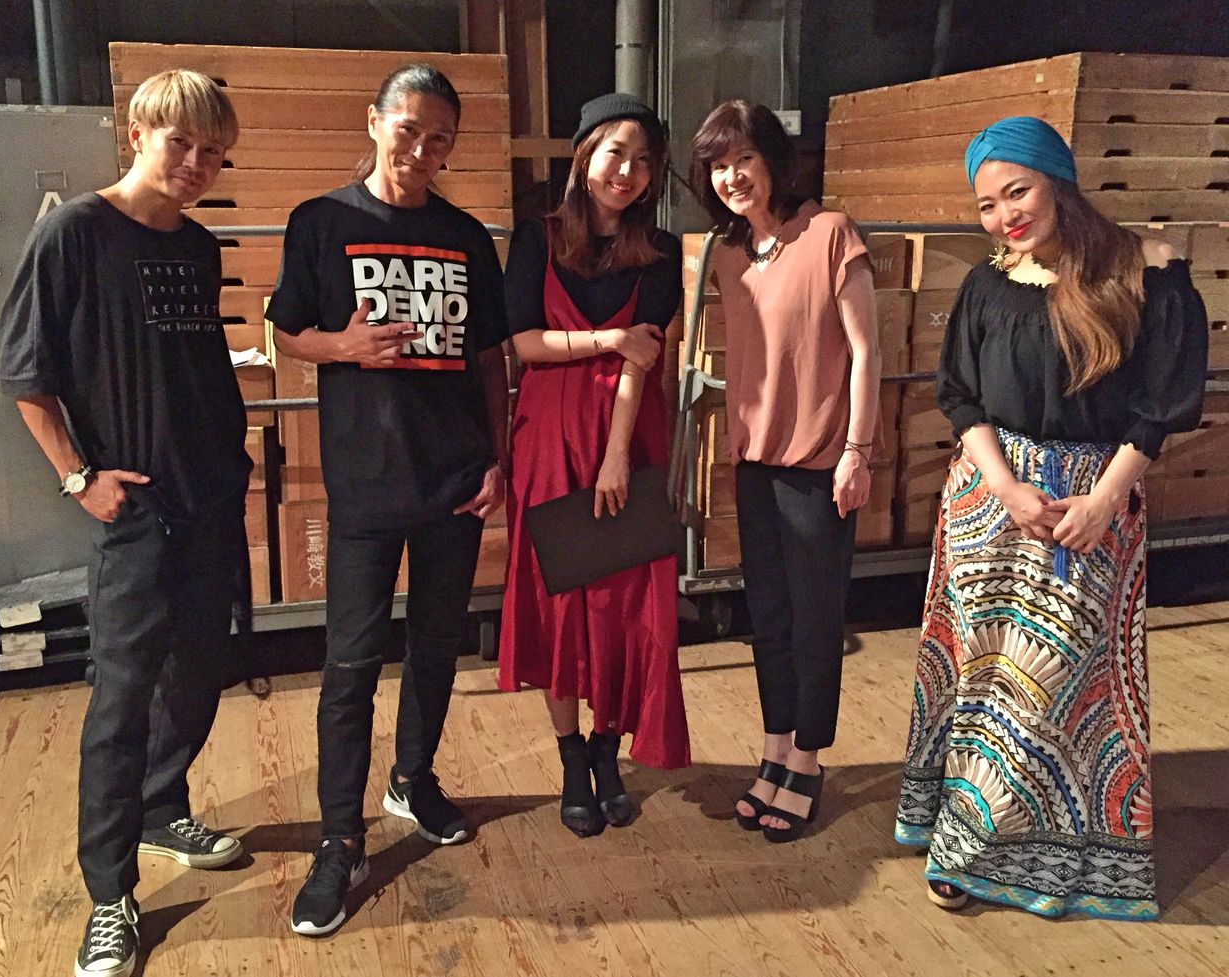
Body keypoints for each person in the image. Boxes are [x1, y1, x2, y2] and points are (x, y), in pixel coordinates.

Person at [893, 117, 1208, 920]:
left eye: (1017, 192)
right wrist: (1005, 487)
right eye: (987, 204)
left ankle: (1059, 854)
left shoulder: (1144, 274)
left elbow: (1163, 404)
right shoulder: (987, 283)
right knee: (983, 680)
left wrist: (1103, 500)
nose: (1005, 215)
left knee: (1063, 686)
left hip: (1092, 506)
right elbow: (960, 395)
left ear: (1056, 180)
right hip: (990, 505)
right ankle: (964, 846)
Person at [0, 70, 248, 977]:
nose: (195, 163)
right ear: (138, 131)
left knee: (201, 669)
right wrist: (79, 478)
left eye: (212, 152)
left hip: (211, 497)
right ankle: (111, 894)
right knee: (122, 696)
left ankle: (161, 806)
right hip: (134, 509)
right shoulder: (73, 232)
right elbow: (26, 374)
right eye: (180, 142)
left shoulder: (200, 246)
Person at [267, 63, 510, 936]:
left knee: (437, 645)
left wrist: (498, 458)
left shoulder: (467, 236)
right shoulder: (321, 221)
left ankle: (413, 778)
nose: (421, 150)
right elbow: (285, 330)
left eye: (440, 140)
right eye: (408, 130)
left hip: (454, 481)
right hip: (365, 483)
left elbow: (490, 358)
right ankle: (340, 839)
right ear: (374, 122)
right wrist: (343, 345)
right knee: (351, 664)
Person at [498, 93, 690, 838]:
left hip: (625, 440)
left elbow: (645, 358)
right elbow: (524, 343)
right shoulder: (536, 238)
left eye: (643, 161)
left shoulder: (662, 251)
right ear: (583, 157)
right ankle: (571, 757)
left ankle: (608, 750)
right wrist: (606, 341)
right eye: (615, 153)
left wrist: (616, 456)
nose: (627, 171)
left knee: (622, 605)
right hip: (549, 438)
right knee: (558, 603)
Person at [689, 100, 881, 843]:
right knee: (766, 618)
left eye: (744, 158)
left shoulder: (829, 233)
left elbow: (865, 351)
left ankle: (807, 758)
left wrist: (858, 450)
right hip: (755, 464)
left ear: (772, 160)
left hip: (820, 464)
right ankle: (774, 746)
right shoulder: (729, 253)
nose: (732, 176)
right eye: (718, 164)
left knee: (814, 619)